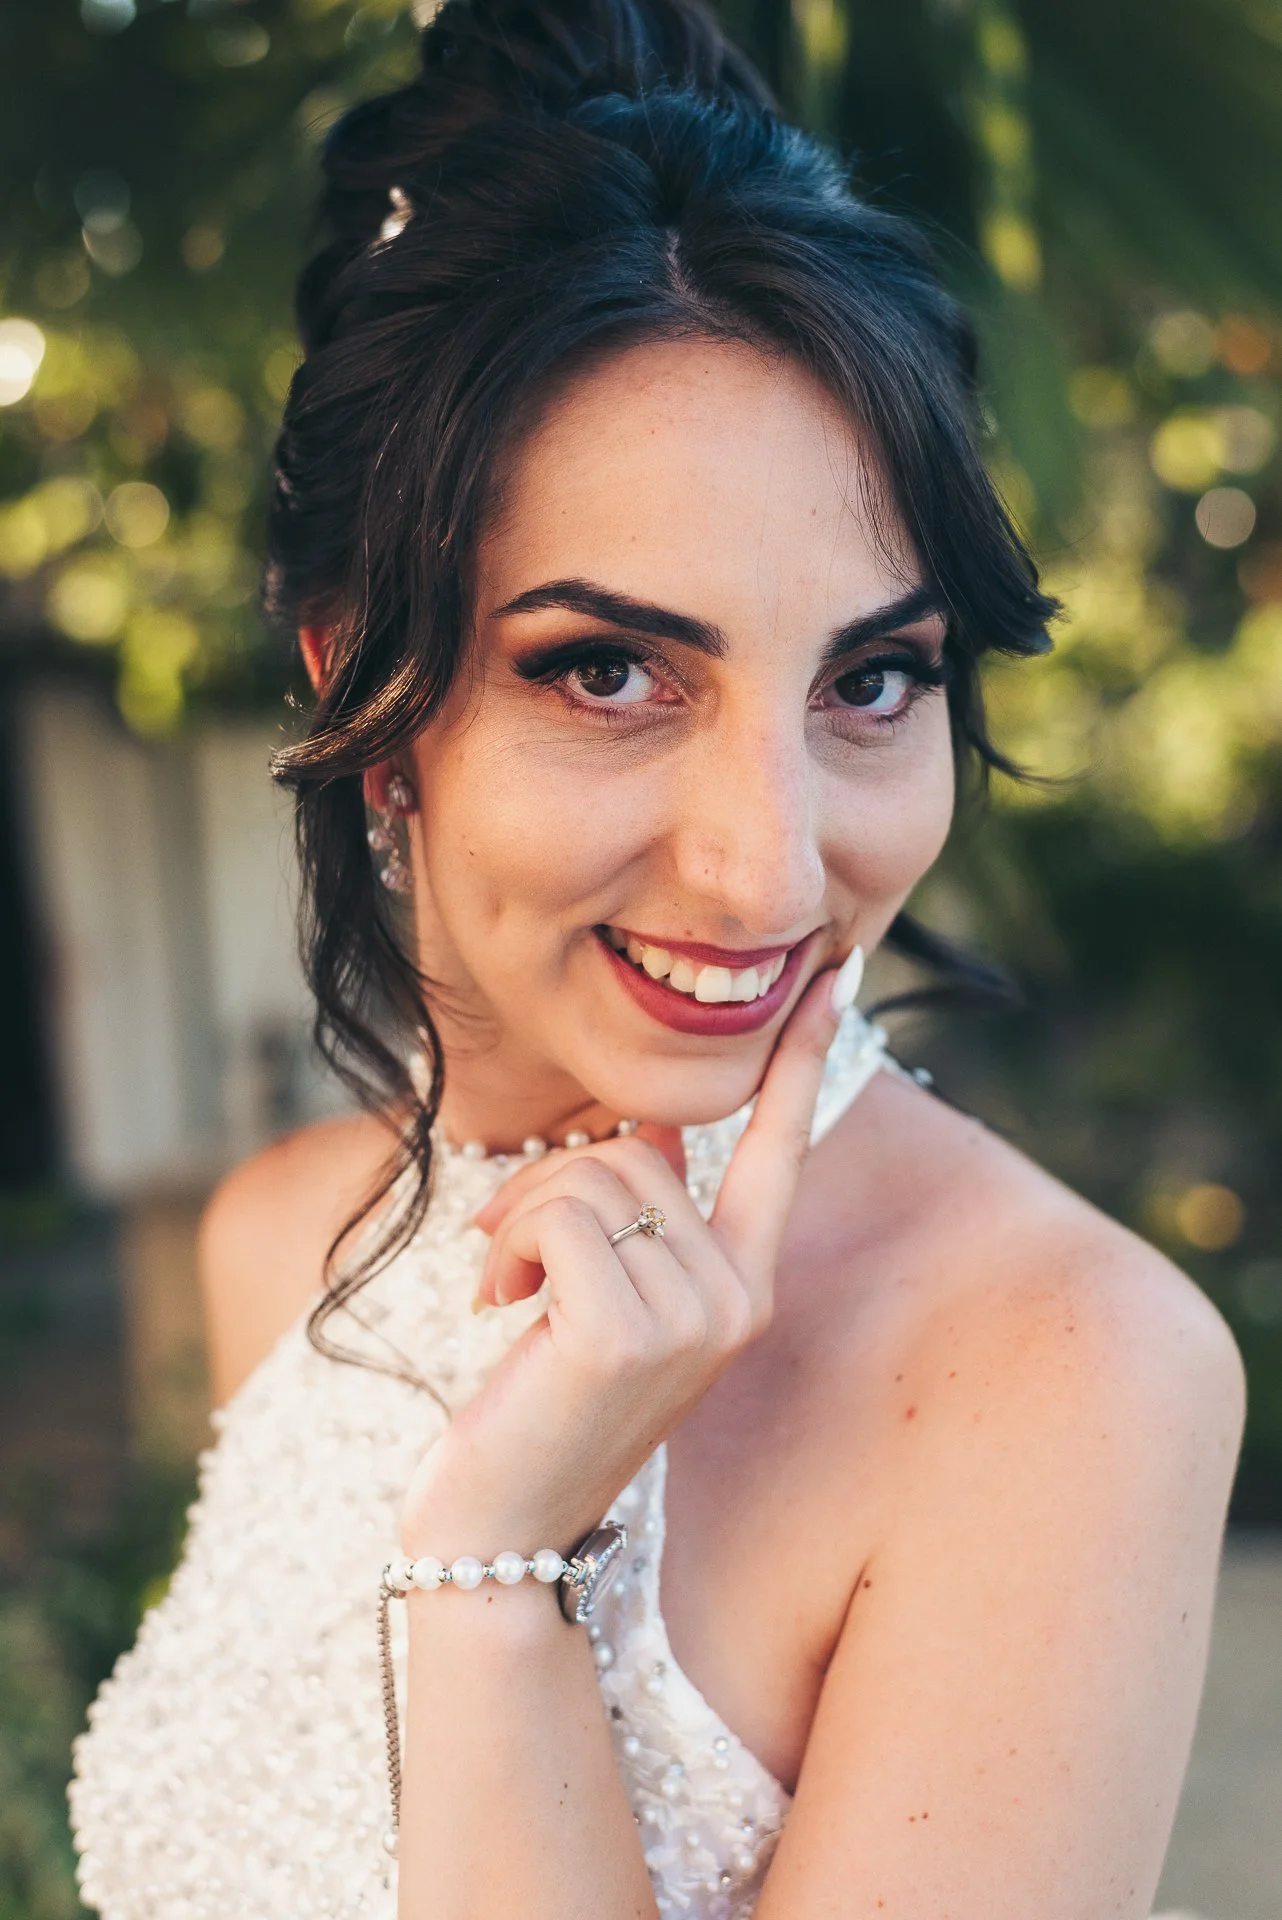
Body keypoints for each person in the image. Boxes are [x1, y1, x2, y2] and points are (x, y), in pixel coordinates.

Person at [69, 1, 1245, 1914]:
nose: (769, 862)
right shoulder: (282, 1243)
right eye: (609, 671)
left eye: (872, 678)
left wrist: (494, 1580)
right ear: (362, 698)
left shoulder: (1059, 1373)